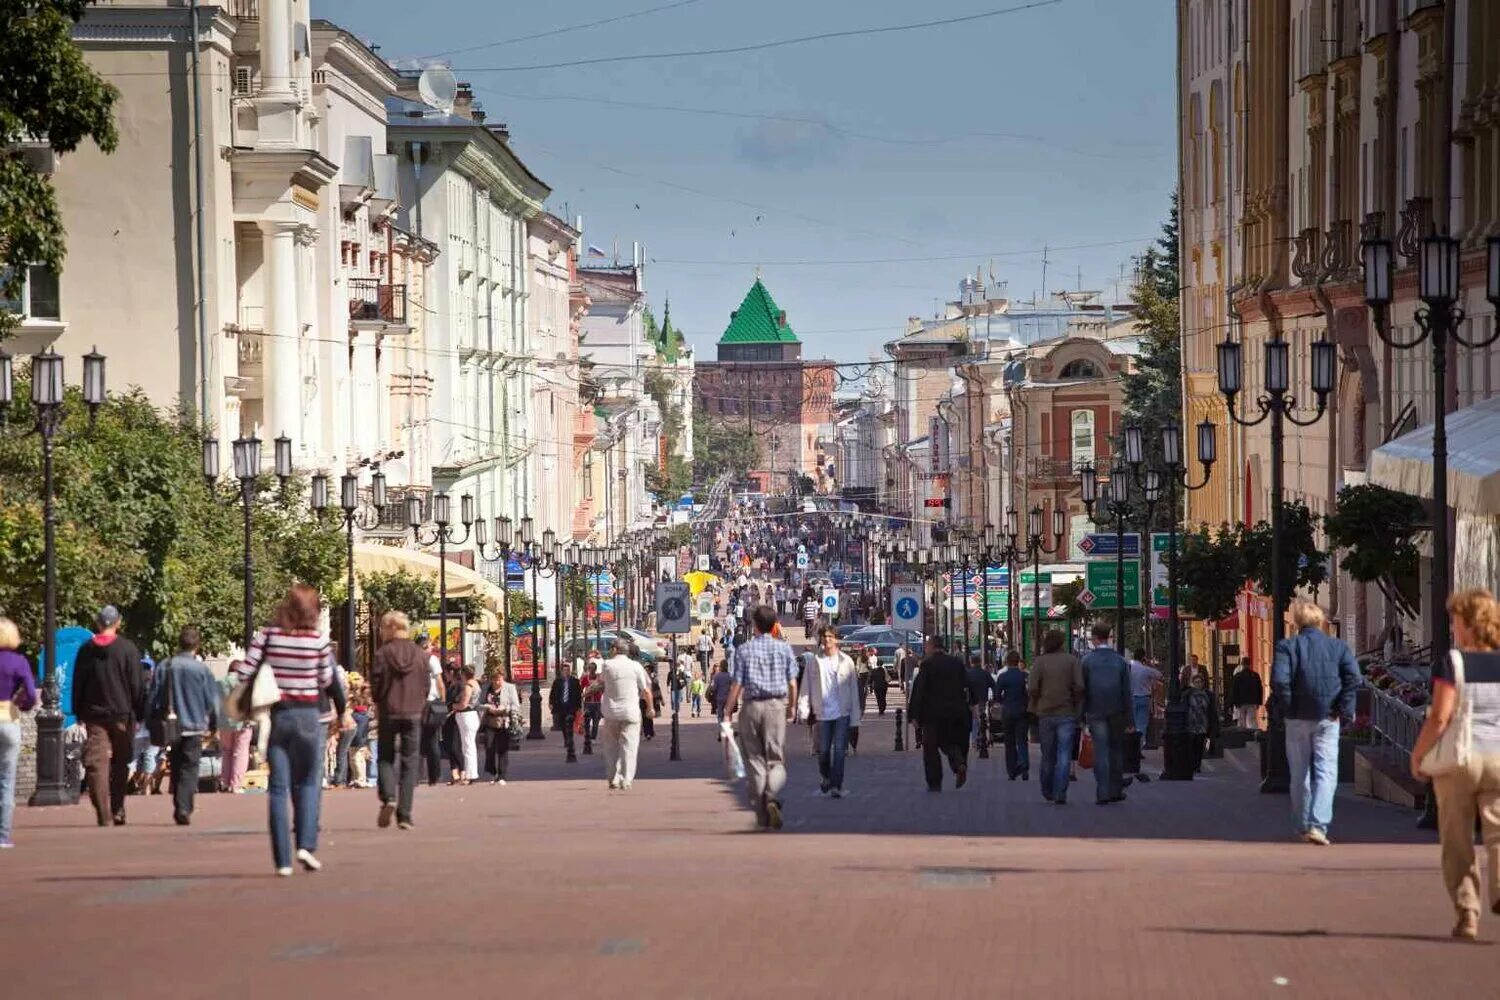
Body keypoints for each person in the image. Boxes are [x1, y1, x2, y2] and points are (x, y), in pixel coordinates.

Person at [230, 584, 342, 876]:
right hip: (308, 717)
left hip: (279, 716)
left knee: (278, 788)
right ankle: (306, 843)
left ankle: (282, 861)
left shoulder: (268, 636)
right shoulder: (318, 640)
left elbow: (244, 671)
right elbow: (327, 679)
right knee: (307, 782)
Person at [1409, 589, 1500, 941]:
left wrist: (1419, 754)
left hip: (1460, 760)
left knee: (1457, 839)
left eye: (1455, 621)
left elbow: (1441, 718)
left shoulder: (1453, 663)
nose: (1453, 627)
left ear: (1467, 623)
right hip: (1498, 760)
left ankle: (1467, 913)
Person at [1271, 599, 1361, 846]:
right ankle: (1319, 825)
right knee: (1326, 770)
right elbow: (1354, 678)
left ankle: (1302, 825)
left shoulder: (1287, 647)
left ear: (1297, 622)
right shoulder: (1338, 648)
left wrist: (1288, 707)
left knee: (1299, 773)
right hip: (1328, 716)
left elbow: (1280, 681)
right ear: (1320, 621)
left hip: (1297, 717)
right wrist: (1344, 709)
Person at [724, 604, 800, 829]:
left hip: (751, 707)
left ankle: (761, 813)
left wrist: (728, 711)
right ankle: (772, 795)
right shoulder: (784, 649)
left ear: (754, 625)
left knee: (755, 760)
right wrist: (792, 708)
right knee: (776, 760)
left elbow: (737, 684)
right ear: (774, 624)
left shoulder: (744, 650)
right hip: (776, 706)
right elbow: (793, 684)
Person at [71, 606, 145, 827]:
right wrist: (139, 712)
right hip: (122, 714)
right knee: (121, 762)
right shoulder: (128, 649)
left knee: (97, 764)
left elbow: (78, 683)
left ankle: (104, 814)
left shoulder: (86, 650)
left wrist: (78, 711)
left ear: (97, 622)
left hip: (94, 715)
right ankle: (118, 808)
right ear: (118, 622)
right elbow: (137, 685)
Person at [146, 627, 220, 826]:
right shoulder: (202, 670)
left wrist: (150, 719)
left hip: (170, 725)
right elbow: (212, 701)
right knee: (190, 767)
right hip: (194, 725)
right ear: (197, 645)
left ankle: (179, 803)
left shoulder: (165, 666)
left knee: (176, 764)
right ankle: (184, 806)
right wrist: (213, 723)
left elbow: (153, 696)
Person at [369, 611, 428, 830]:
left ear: (389, 629)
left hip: (389, 711)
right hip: (413, 712)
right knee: (410, 761)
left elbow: (376, 685)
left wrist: (379, 700)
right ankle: (405, 814)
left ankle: (388, 797)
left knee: (385, 756)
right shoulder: (420, 654)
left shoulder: (383, 654)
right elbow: (425, 684)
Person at [800, 626, 860, 798]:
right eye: (824, 636)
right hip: (823, 712)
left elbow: (854, 690)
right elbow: (806, 688)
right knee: (824, 750)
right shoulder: (814, 661)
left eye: (830, 636)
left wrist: (855, 719)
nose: (826, 640)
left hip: (842, 712)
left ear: (836, 639)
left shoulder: (846, 661)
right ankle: (826, 777)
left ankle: (837, 785)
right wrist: (803, 709)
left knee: (840, 750)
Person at [1028, 630, 1084, 806]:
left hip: (1045, 713)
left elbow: (1032, 688)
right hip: (1066, 712)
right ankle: (1060, 792)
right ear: (1061, 643)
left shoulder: (1039, 662)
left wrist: (1038, 700)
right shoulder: (1072, 661)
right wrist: (1075, 702)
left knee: (1047, 754)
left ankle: (1047, 788)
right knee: (1064, 754)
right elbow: (1080, 686)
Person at [908, 636, 971, 792]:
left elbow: (919, 690)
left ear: (931, 647)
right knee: (949, 743)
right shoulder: (956, 663)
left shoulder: (927, 665)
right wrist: (970, 707)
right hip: (955, 713)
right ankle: (959, 764)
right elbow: (967, 685)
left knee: (930, 748)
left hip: (932, 715)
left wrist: (914, 715)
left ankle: (935, 783)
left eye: (926, 647)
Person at [1080, 625, 1133, 805]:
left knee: (1101, 752)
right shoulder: (1120, 661)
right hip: (1117, 711)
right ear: (1108, 637)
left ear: (1095, 639)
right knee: (1116, 751)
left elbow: (1082, 690)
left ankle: (1102, 792)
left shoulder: (1087, 661)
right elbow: (1127, 692)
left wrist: (1081, 715)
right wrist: (1130, 718)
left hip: (1095, 712)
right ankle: (1115, 790)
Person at [594, 638, 653, 790]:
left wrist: (587, 692)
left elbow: (600, 683)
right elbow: (646, 689)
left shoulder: (607, 665)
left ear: (614, 650)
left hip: (611, 713)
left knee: (611, 747)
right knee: (629, 747)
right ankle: (626, 779)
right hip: (630, 712)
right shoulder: (635, 666)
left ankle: (614, 778)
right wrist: (650, 708)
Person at [0, 617, 38, 848]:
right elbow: (31, 695)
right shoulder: (18, 661)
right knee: (7, 780)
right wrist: (21, 705)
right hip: (9, 718)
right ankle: (2, 836)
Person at [994, 650, 1030, 781]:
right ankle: (1024, 764)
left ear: (1006, 661)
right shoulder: (1024, 676)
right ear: (1018, 661)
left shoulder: (1003, 677)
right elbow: (1029, 693)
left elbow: (997, 696)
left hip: (1008, 711)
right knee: (1022, 739)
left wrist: (1004, 701)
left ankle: (1012, 770)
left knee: (1009, 742)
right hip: (1022, 711)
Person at [417, 634, 446, 786]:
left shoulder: (411, 659)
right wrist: (443, 701)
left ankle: (414, 775)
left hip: (415, 704)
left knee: (416, 740)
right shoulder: (432, 660)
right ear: (425, 647)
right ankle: (434, 776)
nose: (432, 648)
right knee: (433, 741)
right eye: (430, 646)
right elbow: (440, 682)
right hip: (432, 704)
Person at [1127, 648, 1161, 781]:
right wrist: (1150, 664)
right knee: (1142, 725)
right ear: (1143, 657)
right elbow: (1159, 675)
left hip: (1131, 698)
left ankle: (1131, 749)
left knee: (1132, 724)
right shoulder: (1145, 669)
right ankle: (1138, 749)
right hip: (1143, 698)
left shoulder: (1129, 667)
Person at [482, 668, 520, 784]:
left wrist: (505, 708)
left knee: (502, 749)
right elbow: (478, 703)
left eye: (499, 679)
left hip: (504, 721)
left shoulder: (509, 688)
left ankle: (502, 775)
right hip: (489, 721)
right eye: (494, 679)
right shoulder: (486, 688)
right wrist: (487, 707)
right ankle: (492, 772)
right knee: (489, 747)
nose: (497, 682)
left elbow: (515, 705)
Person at [217, 665, 252, 793]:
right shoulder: (243, 682)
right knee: (240, 752)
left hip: (224, 722)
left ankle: (225, 782)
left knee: (226, 751)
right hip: (242, 721)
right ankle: (236, 784)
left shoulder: (219, 682)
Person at [450, 665, 481, 784]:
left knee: (467, 746)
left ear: (464, 674)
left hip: (466, 716)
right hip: (472, 716)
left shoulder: (468, 686)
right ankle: (470, 773)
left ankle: (470, 774)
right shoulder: (476, 684)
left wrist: (453, 706)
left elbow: (464, 704)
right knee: (469, 745)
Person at [549, 661, 583, 762]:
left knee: (571, 722)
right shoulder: (557, 681)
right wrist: (551, 703)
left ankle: (570, 738)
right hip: (561, 706)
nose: (566, 672)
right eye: (564, 670)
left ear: (570, 671)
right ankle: (566, 739)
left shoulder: (575, 681)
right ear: (561, 671)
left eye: (568, 670)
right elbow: (553, 693)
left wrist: (579, 706)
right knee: (563, 724)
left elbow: (578, 694)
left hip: (571, 705)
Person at [1185, 668, 1216, 774]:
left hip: (1203, 723)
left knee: (1199, 746)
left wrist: (1213, 726)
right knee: (1191, 745)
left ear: (1203, 683)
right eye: (1196, 682)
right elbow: (1185, 708)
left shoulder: (1208, 695)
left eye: (1200, 682)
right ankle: (1191, 765)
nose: (1198, 684)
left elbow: (1212, 710)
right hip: (1191, 723)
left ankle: (1197, 766)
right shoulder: (1188, 694)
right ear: (1193, 683)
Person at [964, 654, 994, 747]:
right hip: (982, 700)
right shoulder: (985, 674)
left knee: (974, 720)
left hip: (970, 701)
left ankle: (974, 740)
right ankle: (981, 737)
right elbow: (993, 685)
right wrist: (994, 699)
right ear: (980, 662)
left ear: (971, 662)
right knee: (982, 719)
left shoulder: (967, 673)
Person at [1230, 659, 1264, 730]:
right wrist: (1259, 702)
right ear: (1250, 665)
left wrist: (1233, 703)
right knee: (1252, 721)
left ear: (1242, 665)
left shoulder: (1237, 676)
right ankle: (1253, 736)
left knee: (1242, 721)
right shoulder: (1255, 675)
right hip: (1252, 701)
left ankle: (1242, 737)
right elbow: (1260, 689)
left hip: (1240, 703)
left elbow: (1234, 691)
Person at [582, 658, 603, 742]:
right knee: (586, 721)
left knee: (596, 722)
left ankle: (593, 737)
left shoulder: (599, 679)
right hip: (588, 702)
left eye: (593, 669)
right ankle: (587, 735)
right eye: (590, 668)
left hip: (597, 703)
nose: (591, 670)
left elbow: (603, 689)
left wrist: (599, 689)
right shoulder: (585, 678)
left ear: (595, 669)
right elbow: (580, 689)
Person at [869, 649, 890, 715]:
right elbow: (888, 678)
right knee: (883, 697)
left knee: (878, 698)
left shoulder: (874, 671)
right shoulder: (884, 670)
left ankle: (880, 708)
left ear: (877, 664)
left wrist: (870, 684)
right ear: (882, 664)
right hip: (884, 686)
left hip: (876, 686)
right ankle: (883, 706)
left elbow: (871, 679)